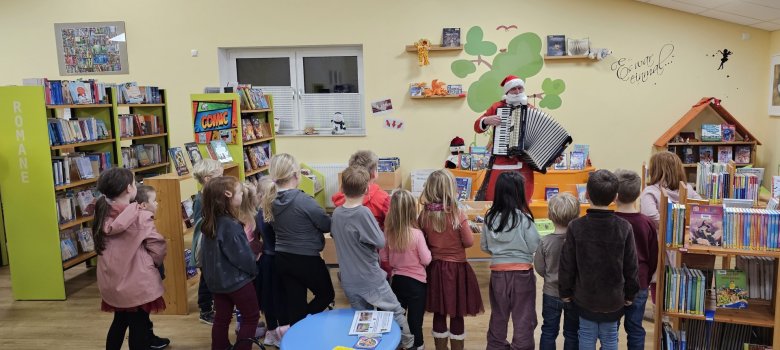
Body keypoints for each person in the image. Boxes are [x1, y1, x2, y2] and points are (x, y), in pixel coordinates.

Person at [331, 166, 415, 349]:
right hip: (369, 278)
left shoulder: (336, 214)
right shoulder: (363, 213)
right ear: (367, 189)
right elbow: (379, 241)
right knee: (395, 310)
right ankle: (408, 344)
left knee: (363, 319)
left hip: (348, 279)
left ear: (342, 188)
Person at [559, 169, 639, 350]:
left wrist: (564, 291)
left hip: (584, 298)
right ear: (615, 197)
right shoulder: (624, 227)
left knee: (586, 337)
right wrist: (630, 294)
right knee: (611, 339)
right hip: (613, 300)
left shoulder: (575, 227)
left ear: (586, 195)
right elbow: (631, 266)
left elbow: (567, 265)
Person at [92, 168, 167, 350]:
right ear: (129, 189)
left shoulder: (101, 211)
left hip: (111, 281)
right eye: (134, 183)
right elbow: (157, 246)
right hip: (137, 282)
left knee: (119, 321)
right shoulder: (140, 216)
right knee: (139, 325)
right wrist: (152, 264)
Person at [258, 153, 333, 335]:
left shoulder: (271, 200)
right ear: (296, 176)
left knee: (295, 303)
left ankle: (296, 331)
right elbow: (325, 225)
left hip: (283, 259)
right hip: (306, 258)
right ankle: (297, 325)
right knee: (326, 295)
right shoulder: (304, 200)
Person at [419, 169, 484, 350]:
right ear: (450, 189)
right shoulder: (457, 214)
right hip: (457, 270)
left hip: (435, 269)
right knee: (457, 313)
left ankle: (440, 347)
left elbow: (421, 241)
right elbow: (469, 241)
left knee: (439, 312)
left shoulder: (424, 215)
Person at [480, 172, 540, 350]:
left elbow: (484, 246)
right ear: (520, 194)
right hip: (522, 274)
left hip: (498, 274)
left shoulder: (489, 218)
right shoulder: (524, 219)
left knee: (499, 315)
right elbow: (533, 245)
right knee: (523, 317)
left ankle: (495, 346)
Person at [473, 75, 556, 202]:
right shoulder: (497, 107)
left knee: (522, 201)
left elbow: (541, 137)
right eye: (513, 89)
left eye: (520, 88)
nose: (517, 92)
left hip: (524, 165)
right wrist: (486, 120)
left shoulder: (531, 110)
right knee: (495, 199)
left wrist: (553, 154)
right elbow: (477, 127)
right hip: (501, 163)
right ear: (507, 92)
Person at [200, 176, 259, 350]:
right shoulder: (231, 225)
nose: (242, 194)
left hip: (217, 282)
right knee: (251, 316)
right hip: (237, 282)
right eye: (240, 192)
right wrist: (254, 270)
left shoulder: (209, 222)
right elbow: (243, 257)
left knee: (222, 318)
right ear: (228, 195)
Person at [639, 151, 706, 303]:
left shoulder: (650, 192)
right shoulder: (687, 189)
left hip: (660, 245)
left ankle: (662, 317)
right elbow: (700, 210)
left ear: (656, 171)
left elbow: (652, 217)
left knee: (661, 284)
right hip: (681, 243)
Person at [380, 189, 431, 350]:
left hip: (397, 282)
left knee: (397, 319)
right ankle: (418, 346)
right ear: (412, 210)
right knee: (415, 322)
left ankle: (398, 344)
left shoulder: (388, 233)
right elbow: (426, 259)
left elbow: (384, 258)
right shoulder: (417, 234)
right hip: (417, 285)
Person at [614, 169, 658, 350]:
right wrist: (648, 278)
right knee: (635, 328)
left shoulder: (611, 221)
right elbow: (653, 255)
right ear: (639, 193)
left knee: (611, 328)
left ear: (614, 195)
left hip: (613, 283)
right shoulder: (646, 222)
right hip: (639, 282)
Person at [534, 192, 580, 350]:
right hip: (575, 293)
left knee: (548, 330)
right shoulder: (578, 241)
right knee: (572, 332)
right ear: (577, 215)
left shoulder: (545, 241)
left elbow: (539, 267)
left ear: (550, 216)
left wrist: (549, 276)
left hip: (551, 292)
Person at [254, 177, 287, 347]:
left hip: (265, 261)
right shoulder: (275, 214)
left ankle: (272, 331)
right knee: (280, 298)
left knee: (268, 299)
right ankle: (281, 332)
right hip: (277, 259)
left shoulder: (258, 213)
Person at [192, 159, 224, 325]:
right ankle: (205, 309)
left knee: (216, 274)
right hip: (206, 243)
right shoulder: (201, 199)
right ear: (207, 178)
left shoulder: (213, 195)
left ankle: (218, 303)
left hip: (215, 241)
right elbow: (200, 224)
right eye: (219, 175)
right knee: (207, 277)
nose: (223, 179)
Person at [236, 181, 266, 339]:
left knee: (244, 298)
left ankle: (244, 324)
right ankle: (247, 327)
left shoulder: (235, 216)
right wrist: (261, 247)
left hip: (240, 264)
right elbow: (250, 244)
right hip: (249, 264)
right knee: (249, 298)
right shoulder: (252, 218)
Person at [331, 150, 390, 229]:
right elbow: (391, 226)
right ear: (373, 174)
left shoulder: (340, 198)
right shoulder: (383, 199)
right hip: (376, 239)